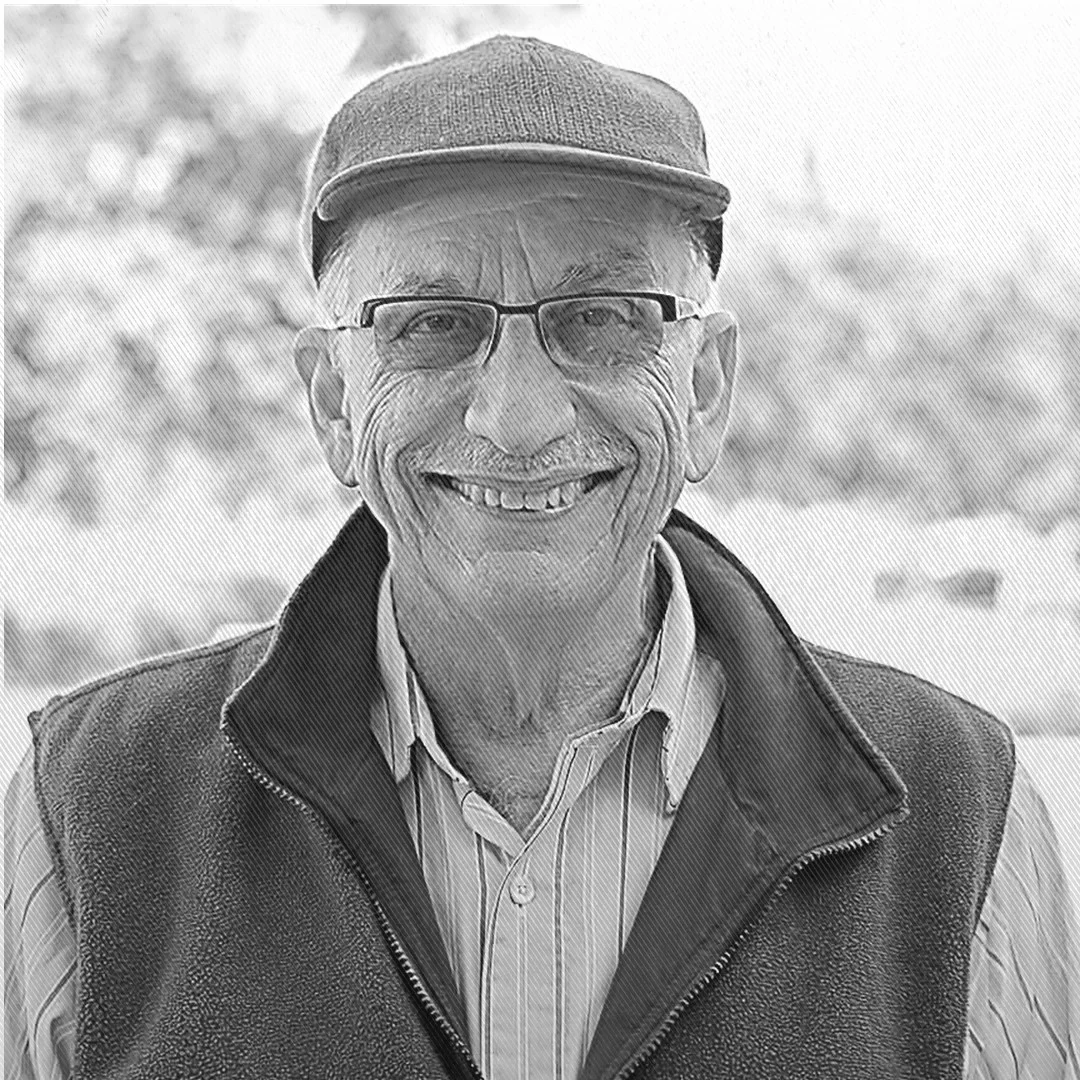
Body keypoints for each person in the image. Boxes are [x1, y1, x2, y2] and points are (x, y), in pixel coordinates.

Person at [5, 34, 1077, 1080]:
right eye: (431, 325)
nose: (516, 417)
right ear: (334, 401)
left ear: (703, 390)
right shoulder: (90, 814)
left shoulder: (961, 827)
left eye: (604, 319)